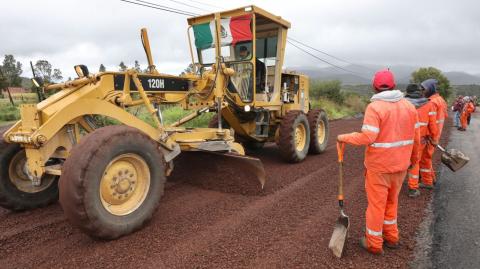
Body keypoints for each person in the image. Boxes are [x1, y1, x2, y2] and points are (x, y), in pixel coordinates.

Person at [337, 69, 420, 255]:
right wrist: (413, 161)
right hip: (401, 167)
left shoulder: (375, 107)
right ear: (393, 85)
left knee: (376, 206)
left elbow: (368, 136)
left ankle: (374, 243)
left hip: (379, 168)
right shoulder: (409, 107)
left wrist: (344, 137)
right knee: (392, 202)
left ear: (374, 86)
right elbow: (416, 138)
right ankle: (391, 237)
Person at [404, 84, 438, 197]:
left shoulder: (401, 104)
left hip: (402, 139)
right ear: (420, 92)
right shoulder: (429, 104)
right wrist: (433, 138)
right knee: (415, 161)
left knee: (402, 160)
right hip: (420, 139)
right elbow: (433, 125)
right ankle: (413, 188)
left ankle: (392, 186)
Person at [420, 79, 447, 186]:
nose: (422, 91)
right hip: (435, 134)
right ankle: (431, 178)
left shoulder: (432, 102)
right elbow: (444, 116)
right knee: (427, 158)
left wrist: (428, 135)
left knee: (425, 159)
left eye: (424, 88)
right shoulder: (440, 100)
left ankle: (427, 182)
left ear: (430, 88)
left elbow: (430, 122)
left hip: (430, 135)